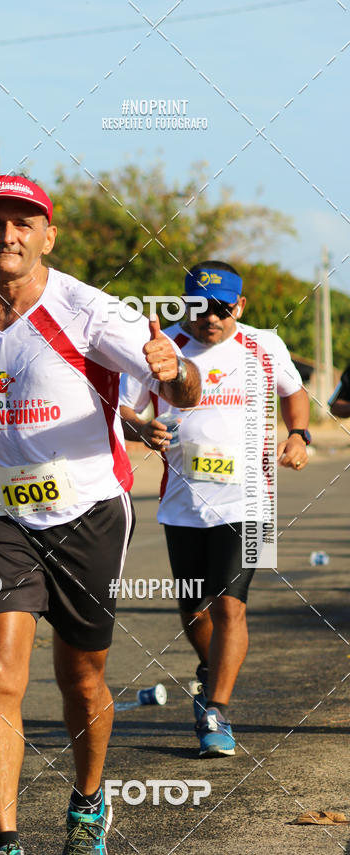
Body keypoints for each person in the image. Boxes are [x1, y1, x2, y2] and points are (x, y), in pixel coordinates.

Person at [0, 174, 201, 855]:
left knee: (81, 678)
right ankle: (4, 849)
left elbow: (180, 387)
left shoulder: (92, 312)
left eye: (23, 223)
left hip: (90, 511)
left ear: (47, 236)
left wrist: (178, 370)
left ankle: (88, 807)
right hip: (2, 512)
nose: (8, 235)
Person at [119, 260, 310, 758]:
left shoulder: (264, 344)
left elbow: (295, 394)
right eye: (200, 308)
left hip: (254, 501)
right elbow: (126, 406)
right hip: (181, 504)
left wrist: (298, 434)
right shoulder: (165, 350)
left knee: (232, 605)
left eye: (223, 308)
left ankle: (216, 709)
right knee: (193, 609)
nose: (212, 318)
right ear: (186, 306)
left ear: (240, 306)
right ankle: (211, 669)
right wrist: (142, 428)